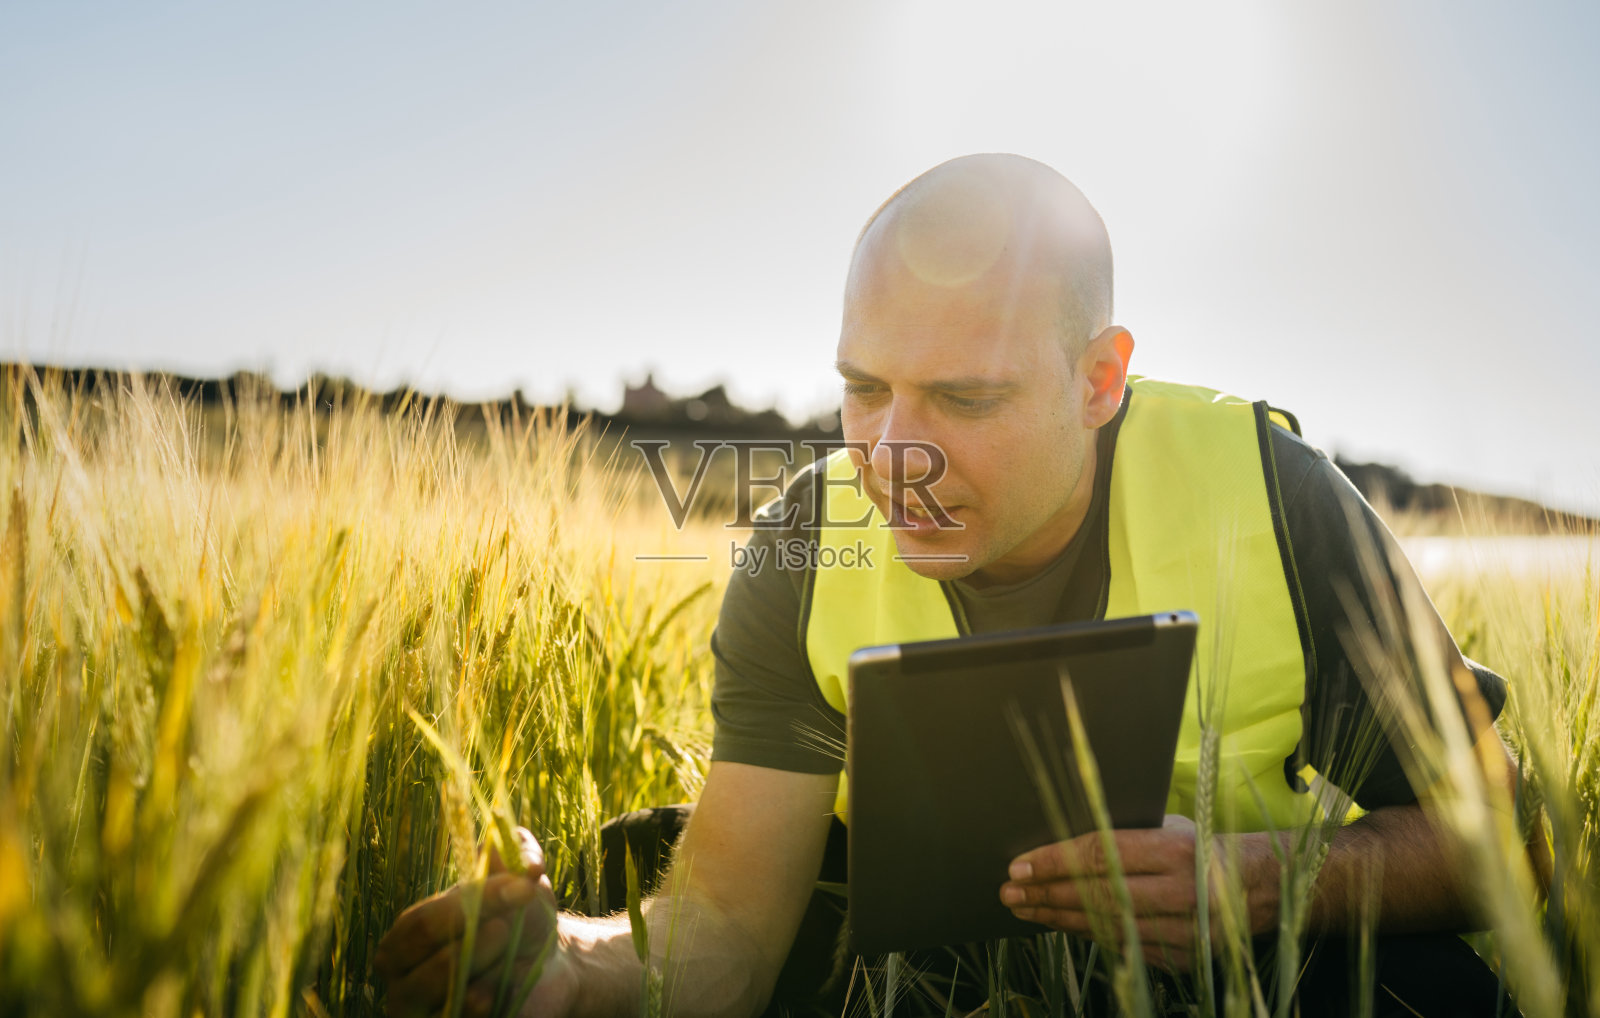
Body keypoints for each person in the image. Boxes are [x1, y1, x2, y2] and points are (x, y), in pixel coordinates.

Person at [373, 154, 1527, 1017]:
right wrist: (565, 974)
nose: (887, 453)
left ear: (1098, 379)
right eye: (863, 387)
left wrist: (1266, 884)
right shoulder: (801, 540)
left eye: (963, 399)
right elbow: (727, 919)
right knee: (635, 864)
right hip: (904, 963)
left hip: (1239, 960)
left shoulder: (1273, 496)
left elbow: (1499, 842)